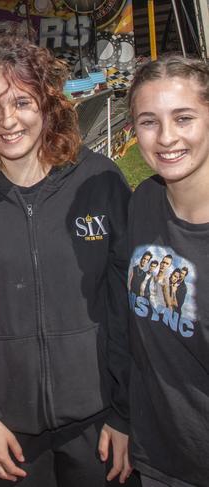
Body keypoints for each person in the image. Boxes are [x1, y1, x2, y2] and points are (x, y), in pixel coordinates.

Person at [0, 36, 134, 487]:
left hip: (100, 424)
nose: (8, 121)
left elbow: (127, 306)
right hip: (8, 432)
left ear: (47, 102)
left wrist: (126, 413)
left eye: (22, 101)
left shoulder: (99, 181)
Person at [125, 54, 209, 487]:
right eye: (148, 121)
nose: (167, 137)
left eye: (184, 118)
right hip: (158, 458)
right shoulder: (143, 202)